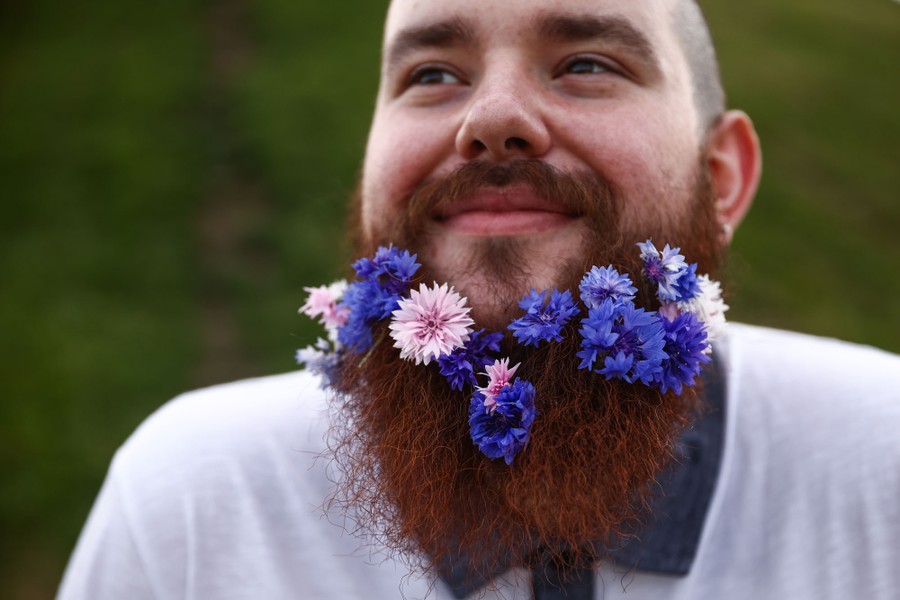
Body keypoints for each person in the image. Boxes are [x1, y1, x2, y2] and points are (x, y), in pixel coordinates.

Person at [58, 0, 900, 598]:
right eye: (432, 74)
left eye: (586, 63)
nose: (492, 119)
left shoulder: (883, 458)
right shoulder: (193, 503)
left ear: (720, 179)